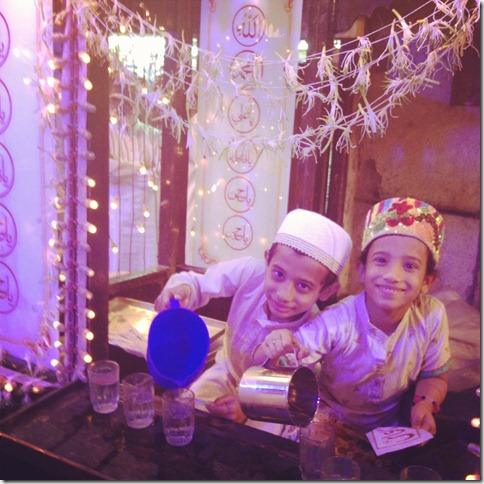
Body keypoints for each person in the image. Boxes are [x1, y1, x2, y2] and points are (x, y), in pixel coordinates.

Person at [257, 197, 451, 450]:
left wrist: (425, 403)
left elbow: (435, 376)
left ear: (427, 280)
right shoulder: (337, 320)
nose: (392, 276)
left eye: (409, 265)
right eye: (381, 260)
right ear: (361, 269)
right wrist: (281, 344)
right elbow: (288, 357)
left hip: (387, 428)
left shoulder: (432, 315)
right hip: (328, 416)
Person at [154, 208, 352, 437]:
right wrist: (184, 290)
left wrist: (245, 407)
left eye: (303, 286)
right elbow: (201, 283)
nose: (284, 294)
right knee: (191, 411)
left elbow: (287, 390)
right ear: (267, 260)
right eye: (278, 274)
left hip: (272, 399)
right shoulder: (250, 271)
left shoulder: (314, 332)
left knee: (262, 439)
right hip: (226, 373)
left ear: (326, 291)